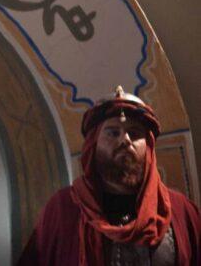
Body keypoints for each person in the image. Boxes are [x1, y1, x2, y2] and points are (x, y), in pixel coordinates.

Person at [18, 86, 201, 265]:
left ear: (148, 146)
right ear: (94, 143)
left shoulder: (181, 211)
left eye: (134, 133)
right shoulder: (63, 209)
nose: (125, 140)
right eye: (113, 132)